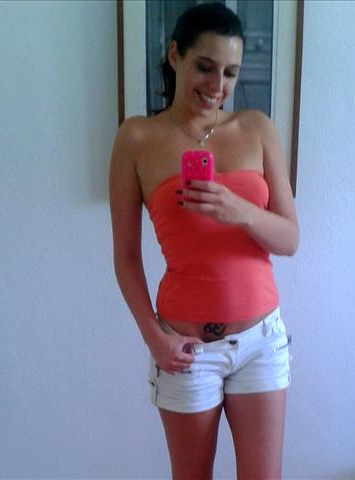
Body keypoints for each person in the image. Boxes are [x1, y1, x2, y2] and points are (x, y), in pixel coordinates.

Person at [109, 3, 299, 479]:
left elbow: (289, 238)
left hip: (260, 343)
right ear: (176, 55)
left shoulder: (255, 128)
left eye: (230, 73)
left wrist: (241, 211)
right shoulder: (136, 138)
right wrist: (153, 336)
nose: (217, 85)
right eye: (205, 66)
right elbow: (126, 256)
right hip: (185, 349)